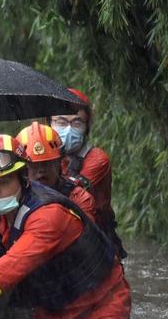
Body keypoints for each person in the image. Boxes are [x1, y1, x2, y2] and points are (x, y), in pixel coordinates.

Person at [0, 133, 130, 319]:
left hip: (101, 306)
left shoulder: (48, 215)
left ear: (23, 179)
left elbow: (12, 266)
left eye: (4, 182)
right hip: (51, 310)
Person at [52, 87, 125, 257]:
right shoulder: (44, 158)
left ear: (86, 127)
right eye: (61, 122)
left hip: (95, 240)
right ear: (49, 123)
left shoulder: (97, 159)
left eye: (77, 123)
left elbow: (67, 195)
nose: (68, 130)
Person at [14, 121, 97, 220]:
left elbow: (87, 232)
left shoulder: (79, 198)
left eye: (47, 163)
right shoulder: (12, 199)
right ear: (22, 169)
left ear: (59, 163)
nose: (41, 169)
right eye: (34, 165)